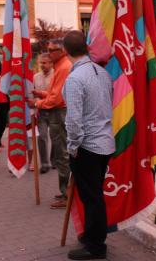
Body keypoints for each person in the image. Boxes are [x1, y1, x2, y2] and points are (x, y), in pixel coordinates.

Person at [62, 30, 115, 260]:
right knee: (93, 195)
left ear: (66, 51)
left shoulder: (75, 78)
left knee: (92, 197)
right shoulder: (102, 73)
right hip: (103, 143)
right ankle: (93, 236)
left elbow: (74, 120)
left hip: (88, 147)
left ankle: (96, 246)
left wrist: (73, 148)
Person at [28, 38, 72, 208]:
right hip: (58, 112)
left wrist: (37, 103)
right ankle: (65, 192)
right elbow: (54, 94)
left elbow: (57, 98)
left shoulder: (64, 67)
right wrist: (41, 94)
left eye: (52, 50)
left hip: (60, 114)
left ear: (62, 51)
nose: (49, 52)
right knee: (62, 154)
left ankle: (66, 195)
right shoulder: (60, 66)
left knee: (62, 155)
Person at [32, 53, 54, 174]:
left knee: (55, 137)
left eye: (45, 63)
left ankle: (54, 159)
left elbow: (56, 94)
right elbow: (34, 93)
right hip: (41, 111)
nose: (42, 65)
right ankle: (45, 163)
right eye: (41, 62)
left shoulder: (56, 75)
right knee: (42, 136)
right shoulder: (36, 77)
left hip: (55, 110)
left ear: (51, 63)